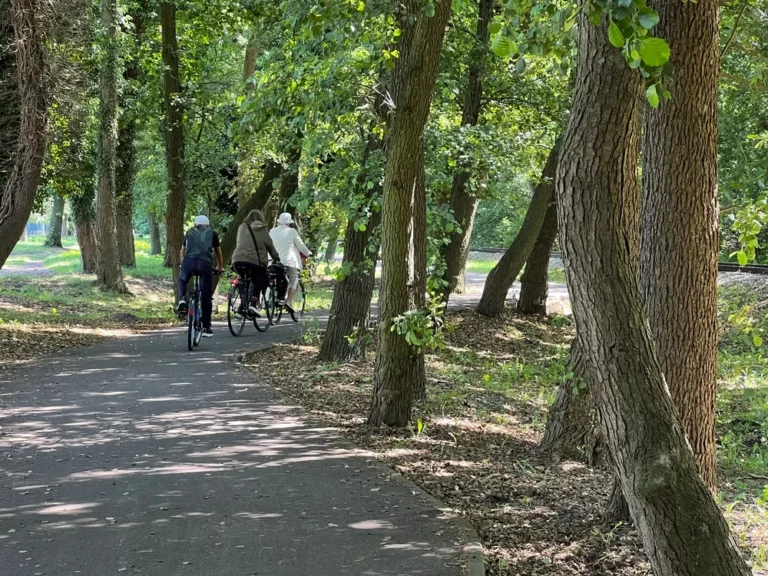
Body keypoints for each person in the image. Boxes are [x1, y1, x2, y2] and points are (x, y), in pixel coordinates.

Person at [176, 215, 224, 338]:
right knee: (206, 296)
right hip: (204, 264)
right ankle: (207, 328)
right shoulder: (212, 234)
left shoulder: (189, 232)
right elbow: (218, 252)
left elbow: (183, 250)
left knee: (182, 279)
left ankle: (182, 298)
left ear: (195, 224)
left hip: (189, 262)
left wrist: (182, 263)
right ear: (208, 225)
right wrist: (219, 267)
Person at [231, 210, 280, 314]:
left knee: (244, 280)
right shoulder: (262, 229)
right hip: (254, 262)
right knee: (262, 279)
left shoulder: (241, 227)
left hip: (237, 260)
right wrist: (277, 257)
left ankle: (242, 306)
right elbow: (270, 245)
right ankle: (253, 302)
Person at [269, 212, 311, 313]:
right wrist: (308, 253)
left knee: (274, 277)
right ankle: (288, 301)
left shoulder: (272, 231)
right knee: (293, 278)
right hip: (288, 260)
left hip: (273, 260)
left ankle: (268, 299)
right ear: (289, 222)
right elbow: (300, 245)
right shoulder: (292, 231)